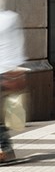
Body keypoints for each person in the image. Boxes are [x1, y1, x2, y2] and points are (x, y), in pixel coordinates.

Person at [0, 10, 26, 163]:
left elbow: (16, 45)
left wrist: (14, 71)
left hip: (5, 72)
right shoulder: (9, 18)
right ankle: (6, 148)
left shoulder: (8, 18)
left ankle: (6, 148)